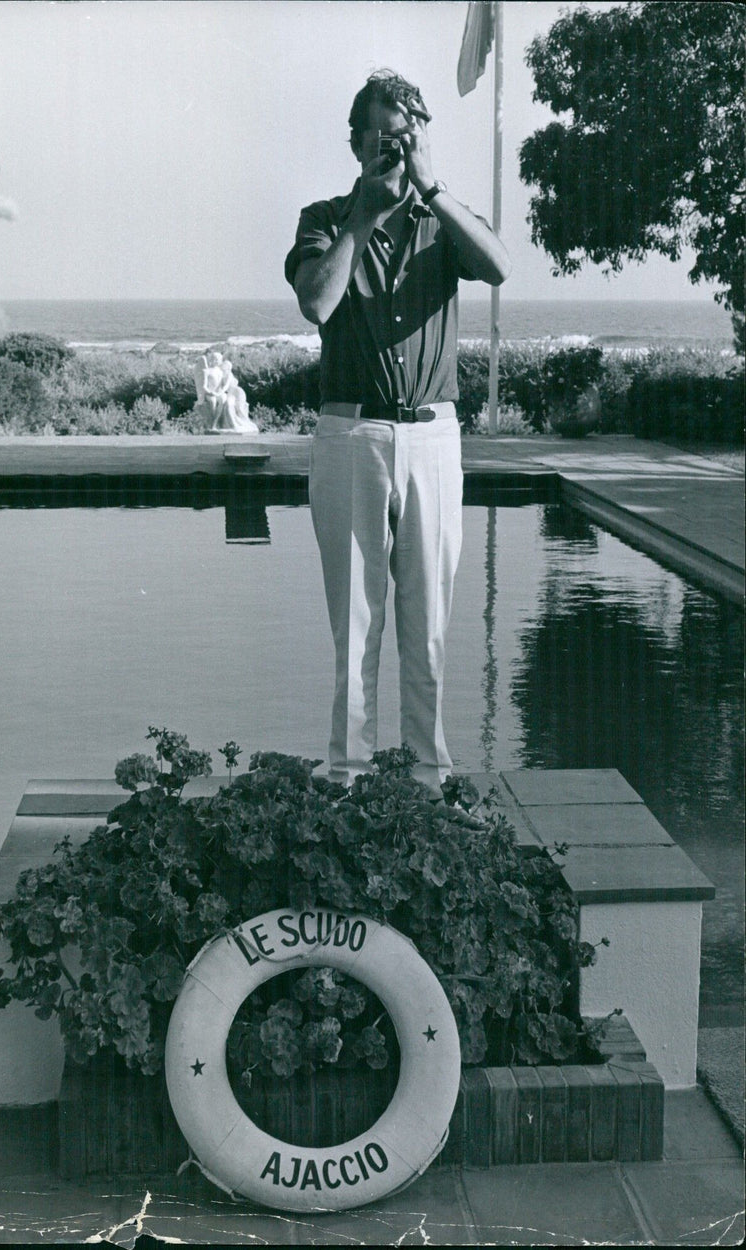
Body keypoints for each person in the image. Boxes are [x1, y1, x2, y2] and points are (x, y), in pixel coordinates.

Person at [285, 69, 511, 793]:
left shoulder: (440, 222)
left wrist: (432, 187)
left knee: (430, 627)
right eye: (384, 134)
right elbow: (318, 304)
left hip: (433, 440)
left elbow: (498, 267)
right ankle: (348, 777)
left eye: (408, 133)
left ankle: (428, 782)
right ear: (359, 142)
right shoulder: (323, 217)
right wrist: (363, 218)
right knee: (356, 627)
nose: (396, 146)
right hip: (351, 437)